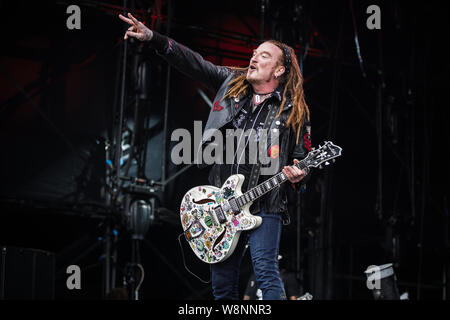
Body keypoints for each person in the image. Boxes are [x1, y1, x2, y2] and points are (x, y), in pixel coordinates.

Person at [119, 13, 312, 300]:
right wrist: (154, 39)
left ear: (280, 70)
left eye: (264, 55)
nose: (254, 58)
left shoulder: (293, 110)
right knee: (222, 285)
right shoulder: (231, 83)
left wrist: (300, 172)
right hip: (221, 202)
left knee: (266, 272)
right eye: (254, 52)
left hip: (265, 204)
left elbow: (302, 159)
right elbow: (194, 62)